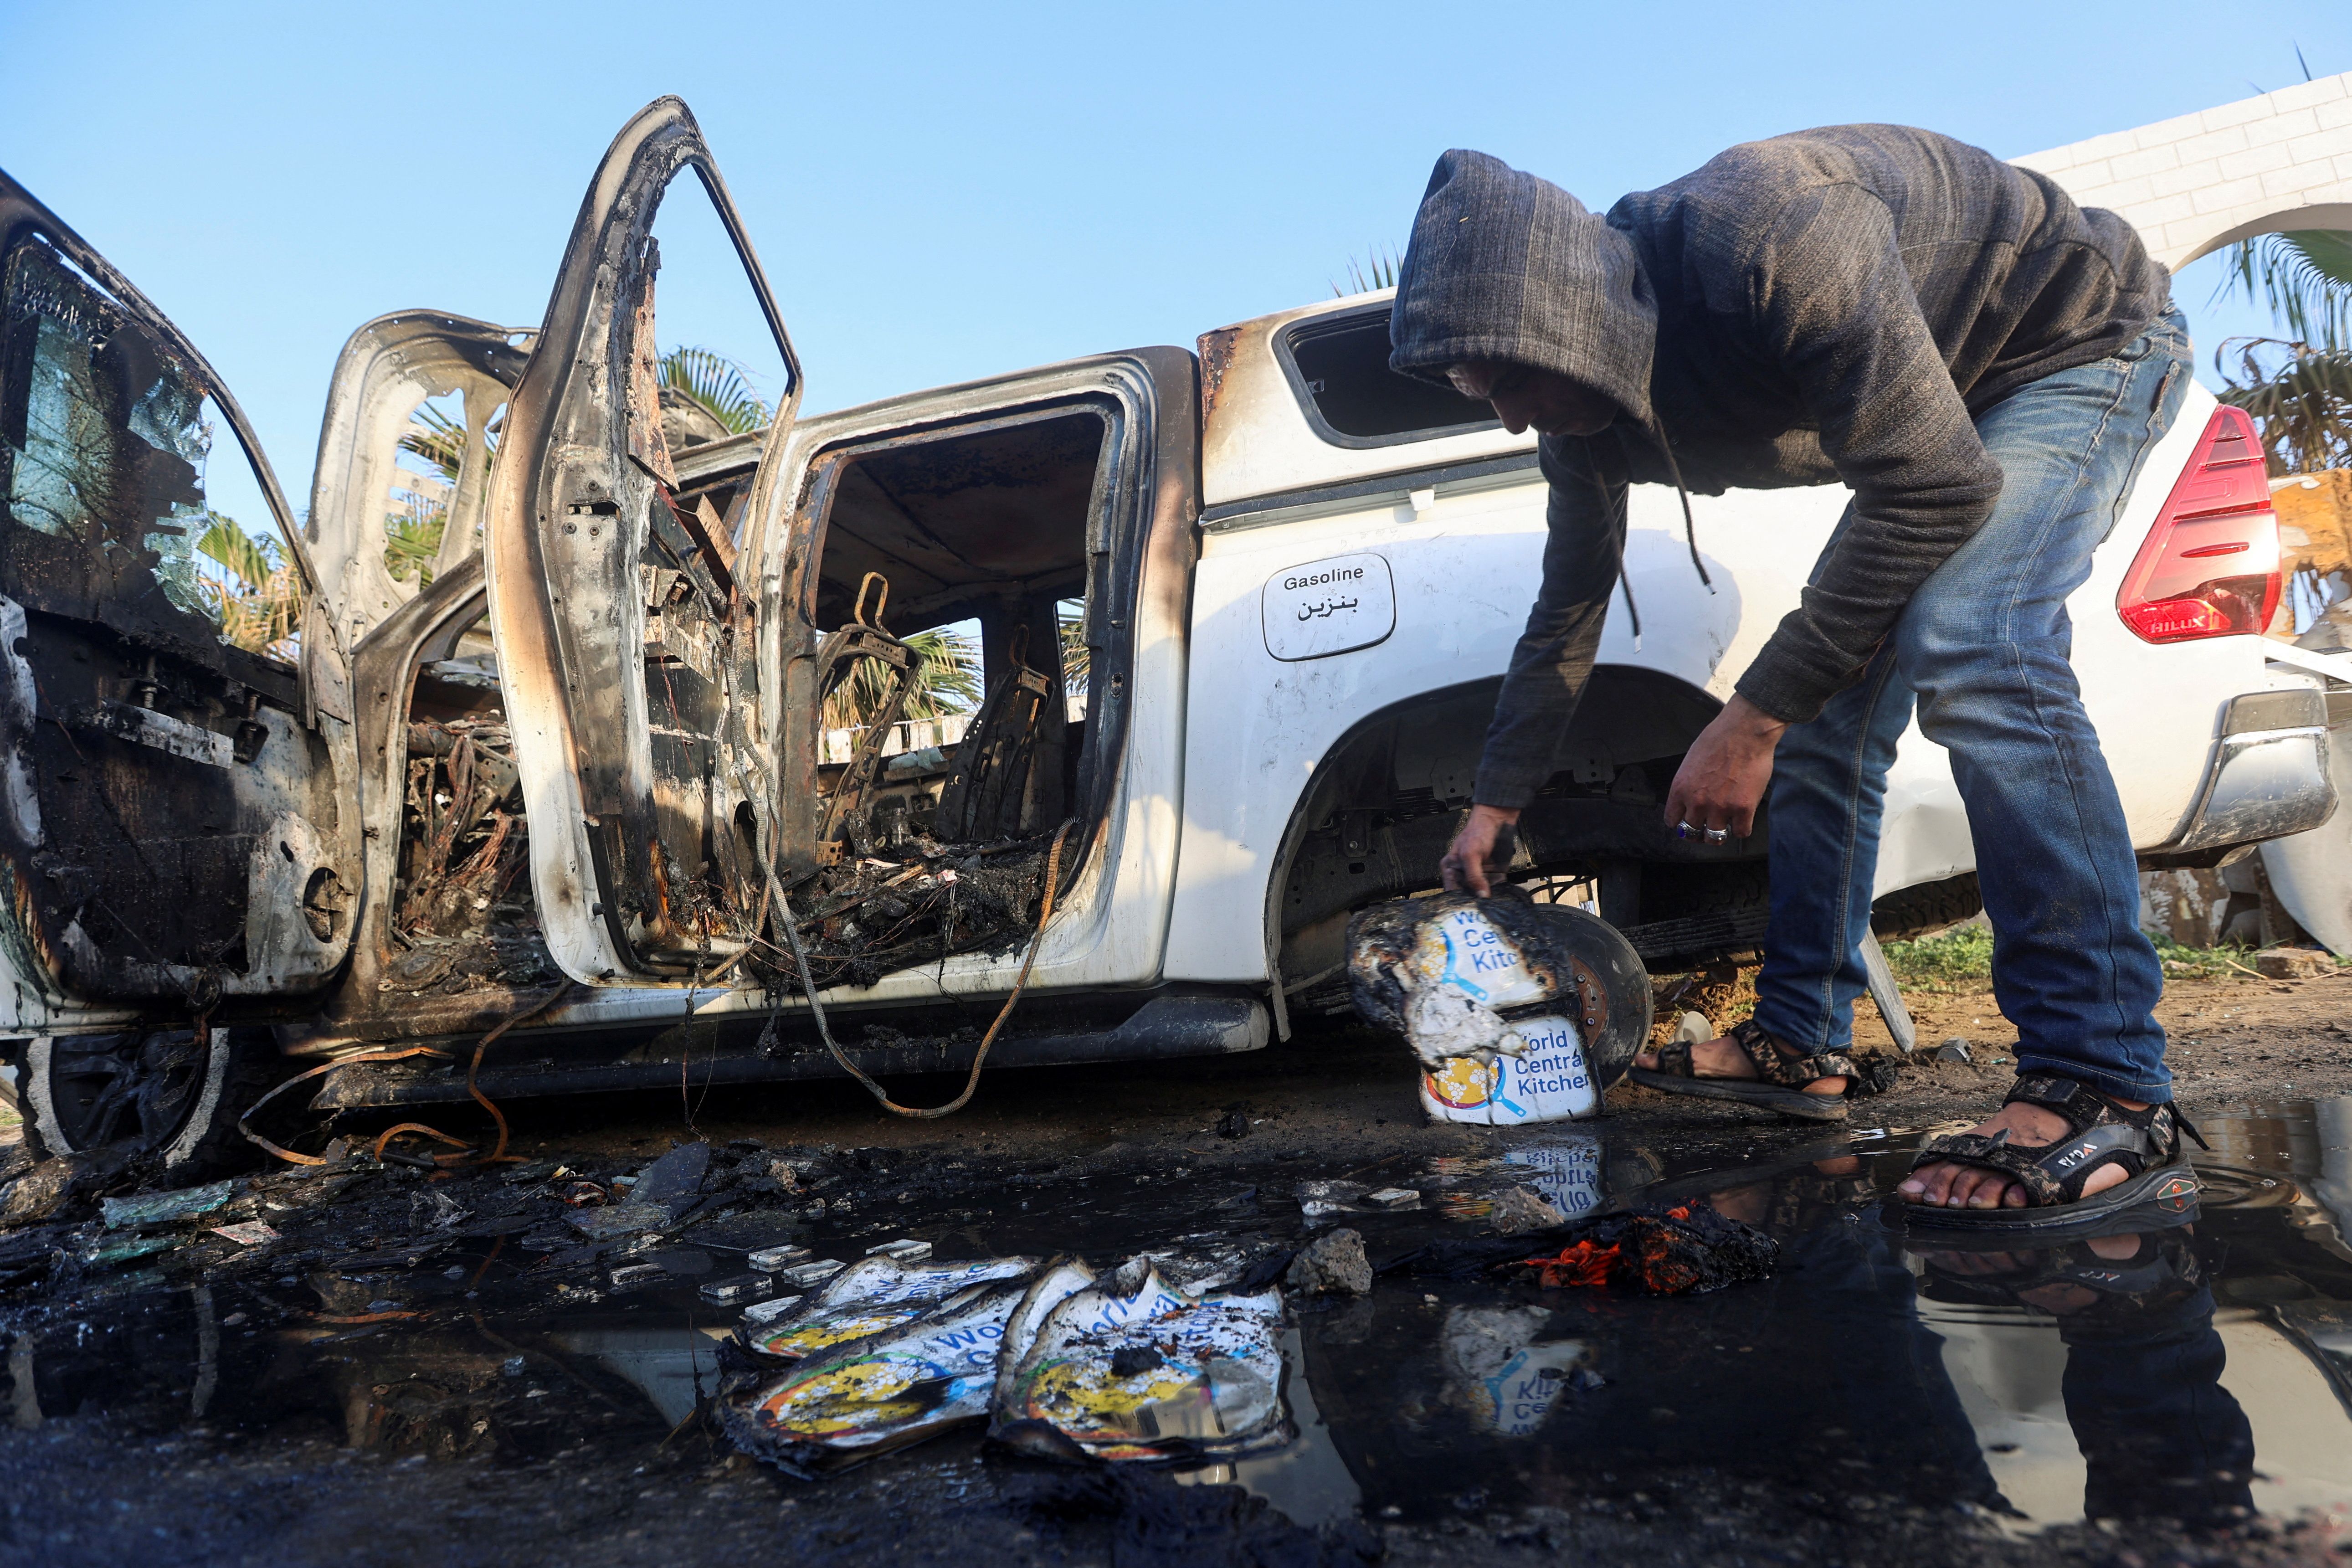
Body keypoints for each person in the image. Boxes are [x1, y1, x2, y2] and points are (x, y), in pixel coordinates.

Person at [1389, 126, 2199, 1224]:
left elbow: (1932, 487)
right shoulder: (1580, 417)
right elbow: (1567, 607)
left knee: (1976, 641)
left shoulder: (1770, 227)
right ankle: (1797, 1040)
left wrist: (1751, 714)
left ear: (1573, 317)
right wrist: (1493, 802)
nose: (1513, 416)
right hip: (1938, 416)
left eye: (1516, 379)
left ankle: (2102, 1080)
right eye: (1481, 393)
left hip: (2073, 349)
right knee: (1824, 726)